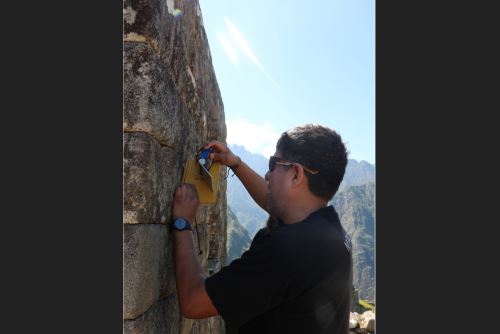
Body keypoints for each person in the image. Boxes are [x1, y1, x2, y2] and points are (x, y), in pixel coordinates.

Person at [170, 124, 353, 334]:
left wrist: (182, 223)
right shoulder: (332, 231)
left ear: (296, 174)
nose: (267, 175)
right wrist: (235, 163)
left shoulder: (289, 249)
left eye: (273, 163)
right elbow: (271, 200)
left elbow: (193, 301)